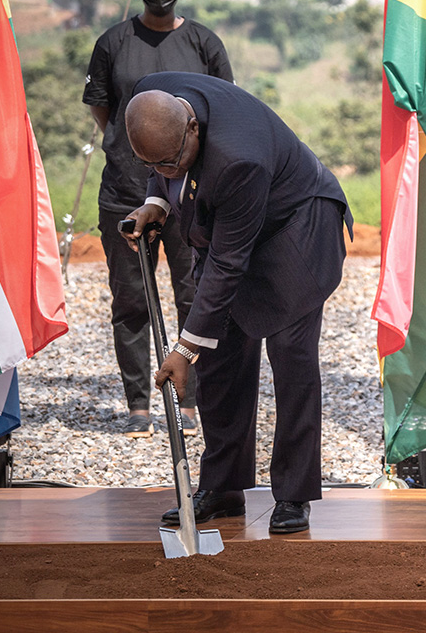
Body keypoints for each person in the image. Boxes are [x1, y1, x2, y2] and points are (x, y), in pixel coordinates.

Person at [122, 73, 352, 535]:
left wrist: (183, 349)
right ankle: (223, 487)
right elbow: (164, 167)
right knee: (221, 362)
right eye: (154, 165)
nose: (168, 172)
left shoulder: (239, 158)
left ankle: (293, 494)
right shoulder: (154, 99)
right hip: (231, 228)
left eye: (172, 162)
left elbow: (228, 264)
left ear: (193, 128)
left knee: (291, 360)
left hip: (296, 231)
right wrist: (156, 202)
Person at [82, 0, 233, 439]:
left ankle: (189, 400)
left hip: (190, 196)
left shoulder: (204, 44)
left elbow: (222, 111)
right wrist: (133, 149)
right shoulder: (113, 43)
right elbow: (104, 109)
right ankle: (139, 404)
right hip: (125, 191)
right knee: (130, 299)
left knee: (193, 294)